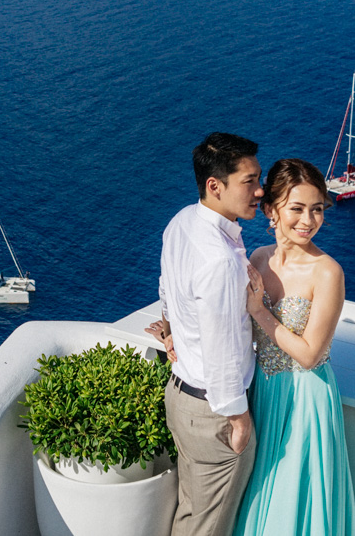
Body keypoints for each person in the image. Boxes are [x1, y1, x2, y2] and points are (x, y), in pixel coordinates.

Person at [232, 158, 355, 536]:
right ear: (271, 210)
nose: (309, 220)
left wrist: (259, 310)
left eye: (317, 209)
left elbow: (309, 354)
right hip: (264, 394)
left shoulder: (327, 272)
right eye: (297, 208)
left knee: (294, 507)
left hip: (306, 402)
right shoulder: (257, 258)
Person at [152, 132, 263, 536]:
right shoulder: (220, 260)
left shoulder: (181, 221)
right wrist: (239, 420)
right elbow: (221, 349)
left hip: (182, 396)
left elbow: (167, 289)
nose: (260, 190)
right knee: (207, 526)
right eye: (249, 181)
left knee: (193, 513)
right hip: (214, 412)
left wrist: (174, 332)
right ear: (214, 186)